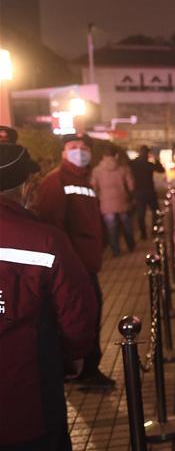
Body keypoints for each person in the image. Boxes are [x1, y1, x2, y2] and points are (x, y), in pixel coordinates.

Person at [0, 143, 98, 451]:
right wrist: (73, 355)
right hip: (23, 404)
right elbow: (79, 318)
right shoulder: (42, 238)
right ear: (23, 185)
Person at [33, 134, 114, 389]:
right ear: (63, 153)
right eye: (73, 147)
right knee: (85, 314)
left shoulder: (83, 180)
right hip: (74, 267)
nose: (80, 151)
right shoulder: (55, 182)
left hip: (87, 263)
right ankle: (84, 370)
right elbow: (52, 227)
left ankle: (85, 368)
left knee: (91, 312)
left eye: (84, 148)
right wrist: (70, 263)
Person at [92, 145, 136, 257]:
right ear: (116, 155)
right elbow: (131, 186)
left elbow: (93, 187)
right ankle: (131, 246)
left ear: (102, 156)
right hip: (122, 201)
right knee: (126, 225)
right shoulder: (123, 169)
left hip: (106, 204)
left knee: (111, 229)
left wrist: (100, 196)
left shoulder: (96, 171)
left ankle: (116, 251)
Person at [129, 145, 165, 239]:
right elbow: (161, 170)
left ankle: (143, 233)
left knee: (141, 214)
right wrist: (156, 159)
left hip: (138, 191)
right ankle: (153, 230)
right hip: (149, 191)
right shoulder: (148, 164)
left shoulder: (133, 163)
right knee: (155, 211)